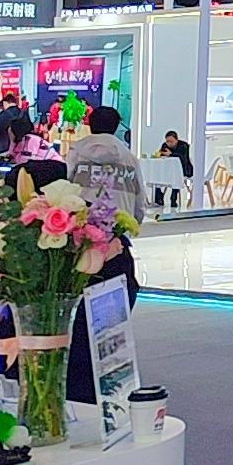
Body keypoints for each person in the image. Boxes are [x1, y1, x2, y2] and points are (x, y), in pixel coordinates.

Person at [60, 105, 141, 407]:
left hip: (79, 242)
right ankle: (109, 387)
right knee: (111, 322)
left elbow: (65, 192)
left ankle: (76, 386)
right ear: (118, 125)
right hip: (115, 244)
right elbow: (139, 202)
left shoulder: (75, 154)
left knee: (77, 320)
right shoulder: (128, 158)